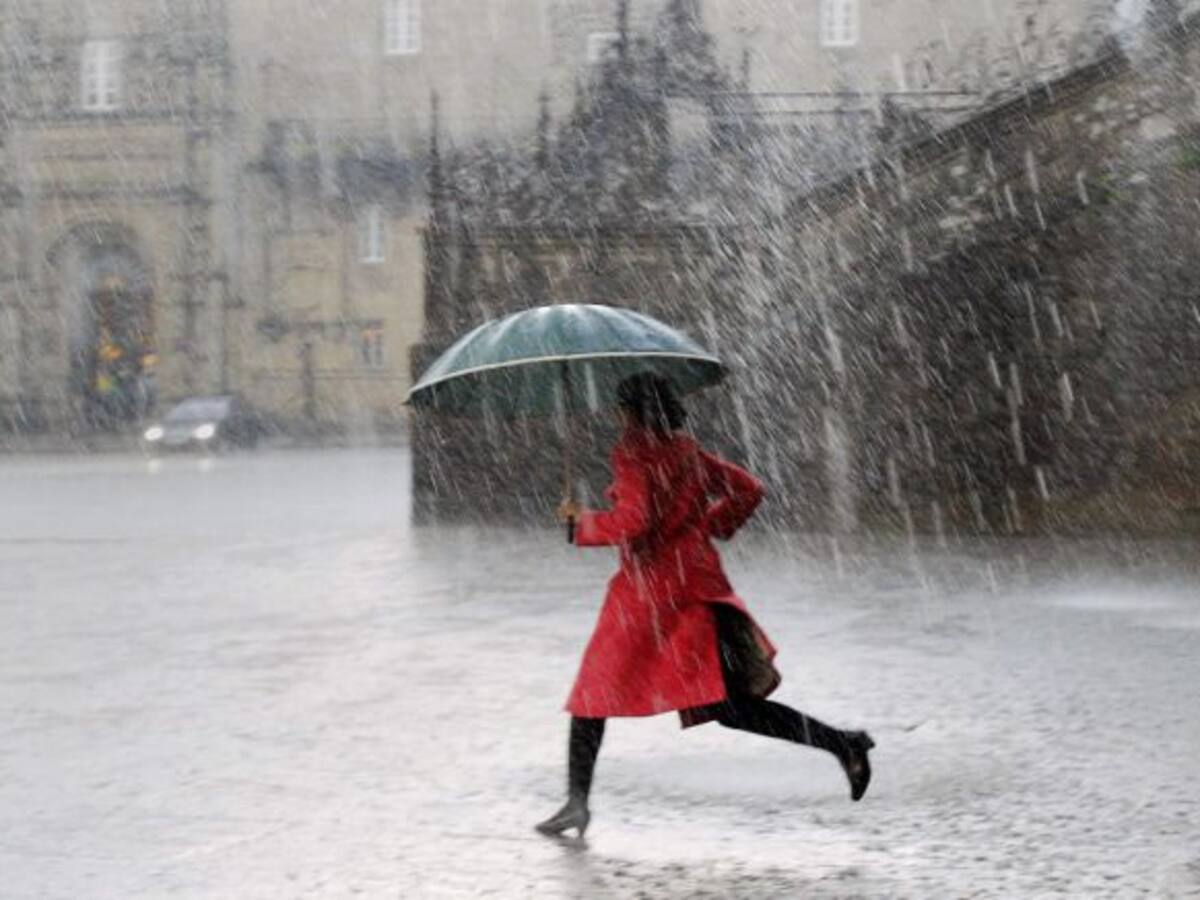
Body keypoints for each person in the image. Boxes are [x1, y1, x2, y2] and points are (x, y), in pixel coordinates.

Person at [536, 372, 874, 839]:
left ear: (631, 411)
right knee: (730, 707)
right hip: (697, 586)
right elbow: (749, 489)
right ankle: (843, 743)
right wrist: (708, 526)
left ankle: (577, 802)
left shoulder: (633, 452)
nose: (616, 416)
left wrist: (581, 525)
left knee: (593, 694)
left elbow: (635, 522)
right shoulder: (685, 450)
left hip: (651, 597)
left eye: (619, 407)